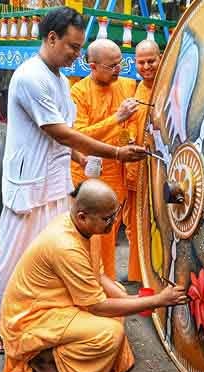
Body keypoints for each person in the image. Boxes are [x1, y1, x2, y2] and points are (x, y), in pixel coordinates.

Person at [0, 7, 147, 355]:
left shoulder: (61, 80)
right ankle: (0, 319)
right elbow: (59, 131)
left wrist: (80, 157)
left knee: (50, 257)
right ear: (51, 38)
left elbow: (67, 136)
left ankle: (38, 320)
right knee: (12, 256)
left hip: (56, 184)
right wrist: (115, 154)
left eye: (79, 48)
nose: (77, 54)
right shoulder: (31, 76)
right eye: (73, 47)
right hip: (27, 187)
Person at [0, 179, 188, 372]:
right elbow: (97, 306)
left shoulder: (86, 229)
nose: (113, 224)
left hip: (59, 304)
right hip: (30, 319)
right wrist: (157, 301)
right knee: (110, 333)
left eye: (115, 214)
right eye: (108, 218)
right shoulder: (65, 246)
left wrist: (133, 299)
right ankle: (43, 358)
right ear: (83, 216)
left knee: (118, 293)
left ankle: (65, 350)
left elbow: (97, 275)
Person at [69, 38, 139, 283]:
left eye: (120, 63)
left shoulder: (127, 86)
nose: (118, 69)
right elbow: (78, 137)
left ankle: (107, 282)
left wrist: (125, 138)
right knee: (87, 235)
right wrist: (116, 119)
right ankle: (85, 283)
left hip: (114, 173)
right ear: (93, 66)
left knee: (109, 235)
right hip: (87, 175)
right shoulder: (78, 93)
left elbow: (126, 129)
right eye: (112, 65)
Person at [122, 39, 161, 284]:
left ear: (161, 58)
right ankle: (138, 276)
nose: (146, 66)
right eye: (141, 62)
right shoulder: (134, 90)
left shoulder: (168, 87)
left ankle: (157, 274)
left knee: (156, 225)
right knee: (134, 225)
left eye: (151, 61)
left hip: (159, 172)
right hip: (136, 170)